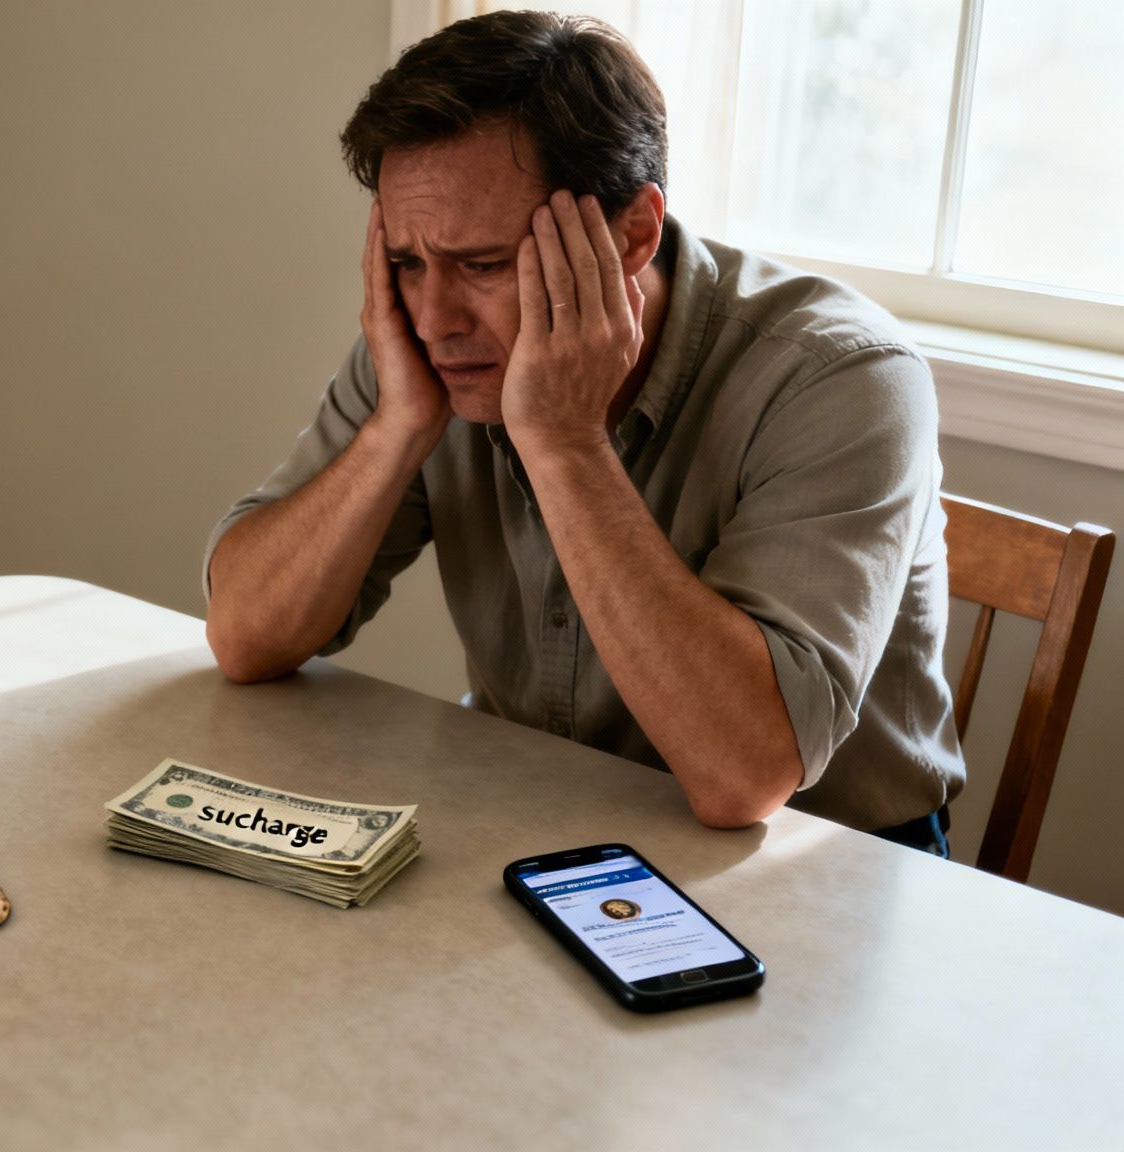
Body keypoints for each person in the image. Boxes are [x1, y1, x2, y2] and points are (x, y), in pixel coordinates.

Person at [202, 11, 963, 853]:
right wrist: (398, 426)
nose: (432, 315)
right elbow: (244, 637)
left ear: (632, 234)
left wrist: (564, 442)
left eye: (483, 264)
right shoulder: (430, 349)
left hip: (824, 869)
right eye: (408, 262)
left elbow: (745, 777)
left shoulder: (843, 376)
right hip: (543, 819)